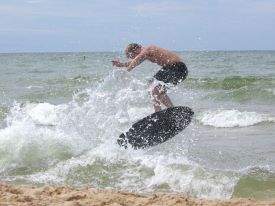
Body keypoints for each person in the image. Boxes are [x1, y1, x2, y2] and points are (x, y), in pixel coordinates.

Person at [112, 43, 188, 112]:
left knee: (154, 87)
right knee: (154, 88)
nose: (134, 58)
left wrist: (127, 70)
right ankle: (172, 110)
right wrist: (121, 64)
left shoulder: (148, 49)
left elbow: (138, 58)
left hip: (176, 68)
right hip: (174, 69)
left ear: (135, 49)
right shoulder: (146, 55)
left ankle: (158, 111)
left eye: (133, 56)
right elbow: (135, 61)